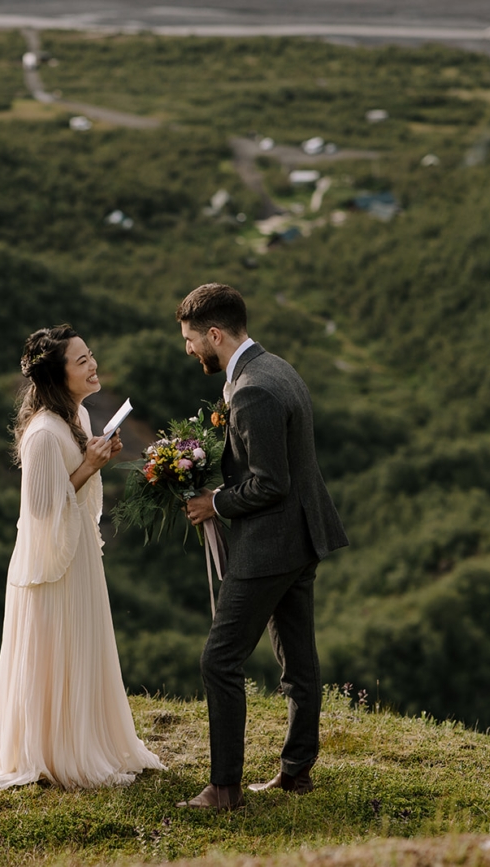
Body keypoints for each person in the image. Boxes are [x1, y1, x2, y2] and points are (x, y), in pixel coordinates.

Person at [0, 324, 165, 790]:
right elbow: (40, 511)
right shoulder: (43, 434)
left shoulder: (80, 417)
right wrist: (90, 466)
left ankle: (87, 738)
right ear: (57, 375)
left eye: (90, 355)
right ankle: (55, 751)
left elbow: (77, 492)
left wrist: (95, 461)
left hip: (78, 553)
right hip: (52, 565)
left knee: (83, 646)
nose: (93, 365)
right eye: (81, 361)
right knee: (58, 650)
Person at [176, 283, 348, 810]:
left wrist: (216, 503)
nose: (188, 350)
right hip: (302, 536)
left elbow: (269, 482)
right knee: (298, 660)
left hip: (270, 545)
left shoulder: (251, 390)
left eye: (189, 340)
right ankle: (296, 772)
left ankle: (224, 787)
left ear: (214, 334)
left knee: (219, 661)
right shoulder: (277, 366)